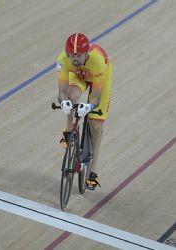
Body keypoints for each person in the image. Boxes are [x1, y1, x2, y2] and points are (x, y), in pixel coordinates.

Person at [56, 33, 112, 190]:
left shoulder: (98, 61)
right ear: (66, 54)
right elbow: (61, 92)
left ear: (87, 53)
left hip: (99, 78)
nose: (74, 59)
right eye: (71, 55)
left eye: (79, 55)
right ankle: (68, 130)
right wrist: (64, 102)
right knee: (70, 98)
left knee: (95, 125)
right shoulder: (62, 60)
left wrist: (89, 107)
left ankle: (93, 171)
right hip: (80, 77)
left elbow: (96, 96)